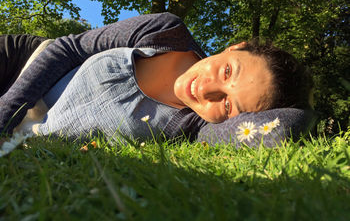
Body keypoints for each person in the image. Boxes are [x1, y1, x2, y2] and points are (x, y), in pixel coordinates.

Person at [0, 13, 314, 145]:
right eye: (227, 71)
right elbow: (68, 47)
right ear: (236, 47)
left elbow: (286, 126)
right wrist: (5, 113)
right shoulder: (166, 31)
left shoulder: (195, 127)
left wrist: (309, 111)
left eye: (229, 105)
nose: (206, 89)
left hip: (27, 129)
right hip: (23, 65)